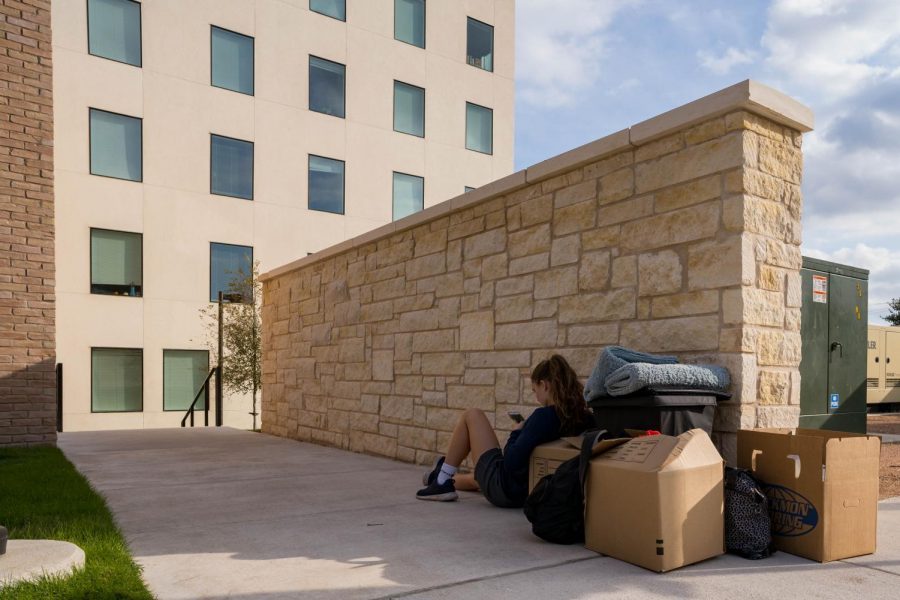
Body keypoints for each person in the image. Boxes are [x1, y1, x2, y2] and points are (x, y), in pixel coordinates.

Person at [416, 354, 594, 507]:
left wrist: (516, 431)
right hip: (528, 491)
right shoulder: (584, 417)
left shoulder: (543, 416)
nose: (537, 397)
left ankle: (441, 480)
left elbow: (510, 462)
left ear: (544, 385)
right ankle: (437, 476)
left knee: (472, 415)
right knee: (477, 478)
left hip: (506, 489)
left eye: (535, 390)